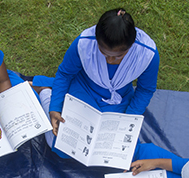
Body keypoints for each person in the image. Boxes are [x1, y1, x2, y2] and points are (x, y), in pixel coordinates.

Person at [45, 8, 160, 141]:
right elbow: (65, 74)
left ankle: (45, 85)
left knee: (116, 146)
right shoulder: (84, 43)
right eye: (103, 53)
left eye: (118, 56)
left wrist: (128, 119)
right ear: (97, 40)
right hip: (85, 88)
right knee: (63, 141)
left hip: (118, 96)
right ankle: (46, 94)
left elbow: (145, 89)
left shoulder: (147, 54)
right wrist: (55, 107)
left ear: (131, 46)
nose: (110, 60)